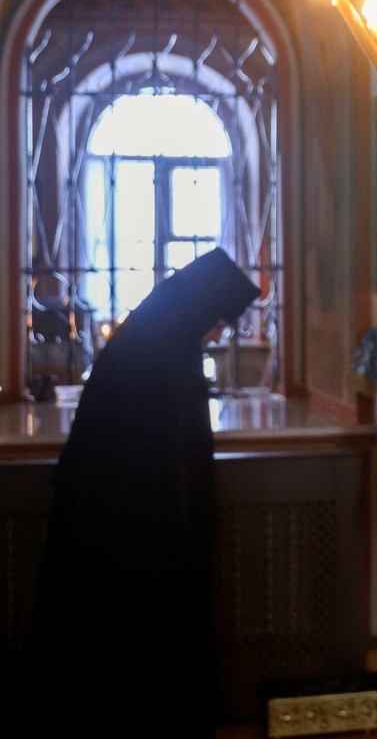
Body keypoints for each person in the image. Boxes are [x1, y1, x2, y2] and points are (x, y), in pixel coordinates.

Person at [8, 248, 259, 736]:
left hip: (123, 519)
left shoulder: (157, 336)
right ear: (200, 309)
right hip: (133, 530)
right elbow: (166, 452)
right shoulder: (166, 350)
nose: (215, 336)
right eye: (217, 324)